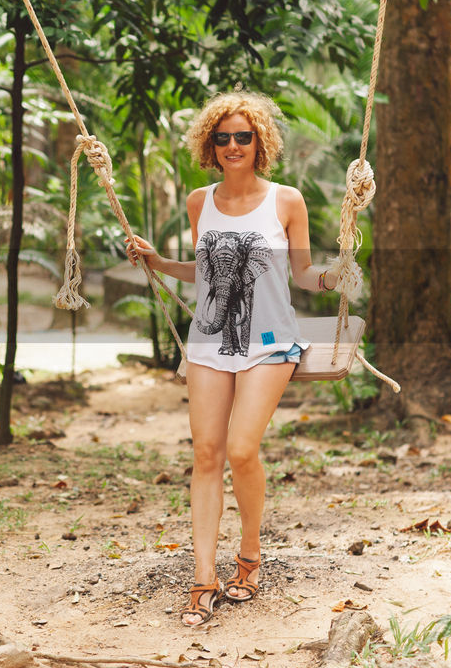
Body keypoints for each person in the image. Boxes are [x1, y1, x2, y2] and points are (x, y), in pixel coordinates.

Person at [125, 90, 340, 626]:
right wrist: (156, 261)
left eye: (243, 136)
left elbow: (303, 275)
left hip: (270, 342)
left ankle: (249, 552)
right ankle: (203, 577)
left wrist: (340, 274)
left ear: (259, 141)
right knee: (206, 454)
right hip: (210, 340)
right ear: (210, 145)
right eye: (223, 138)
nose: (233, 145)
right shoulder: (201, 201)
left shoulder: (286, 200)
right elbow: (205, 274)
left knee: (242, 450)